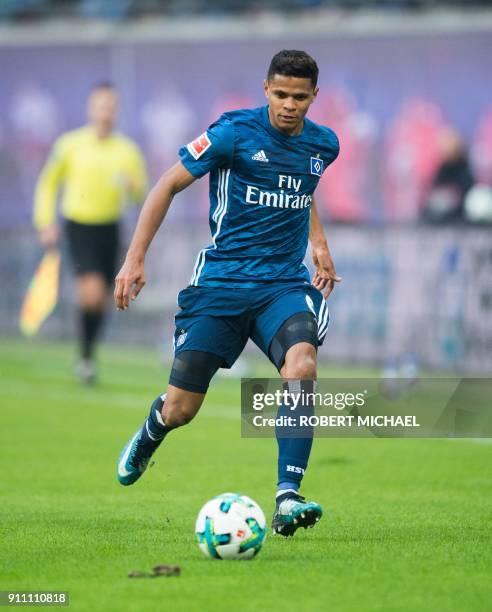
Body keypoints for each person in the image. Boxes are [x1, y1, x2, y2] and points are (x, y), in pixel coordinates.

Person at [115, 50, 340, 537]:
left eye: (299, 98)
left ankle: (287, 497)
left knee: (301, 365)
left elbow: (304, 184)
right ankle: (153, 430)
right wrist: (135, 258)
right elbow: (166, 185)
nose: (289, 105)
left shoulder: (325, 144)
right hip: (220, 284)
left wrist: (317, 242)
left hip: (282, 282)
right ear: (266, 90)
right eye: (280, 95)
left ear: (313, 98)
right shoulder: (232, 133)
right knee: (182, 409)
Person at [33, 82, 148, 384]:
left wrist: (134, 187)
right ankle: (85, 357)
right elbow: (48, 183)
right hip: (79, 225)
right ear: (90, 108)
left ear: (117, 109)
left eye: (110, 105)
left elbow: (144, 194)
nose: (105, 111)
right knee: (94, 293)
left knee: (102, 299)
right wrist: (45, 222)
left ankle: (87, 354)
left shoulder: (127, 150)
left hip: (110, 229)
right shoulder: (70, 145)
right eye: (100, 104)